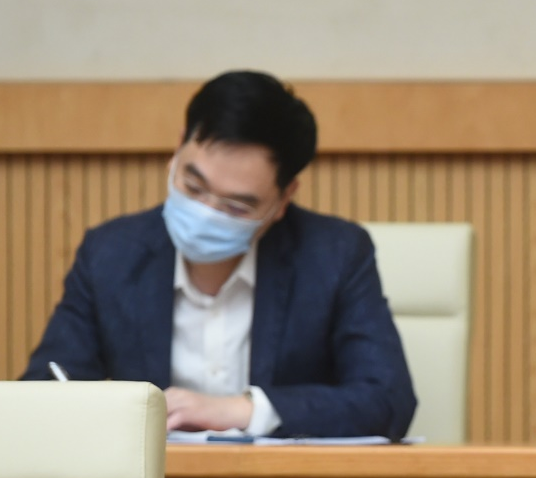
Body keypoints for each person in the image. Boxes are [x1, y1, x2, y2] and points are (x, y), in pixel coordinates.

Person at [23, 70, 416, 440]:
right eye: (193, 187)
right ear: (179, 147)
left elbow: (387, 399)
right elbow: (43, 389)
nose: (206, 212)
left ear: (283, 199)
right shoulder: (111, 254)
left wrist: (243, 411)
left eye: (236, 207)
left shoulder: (335, 255)